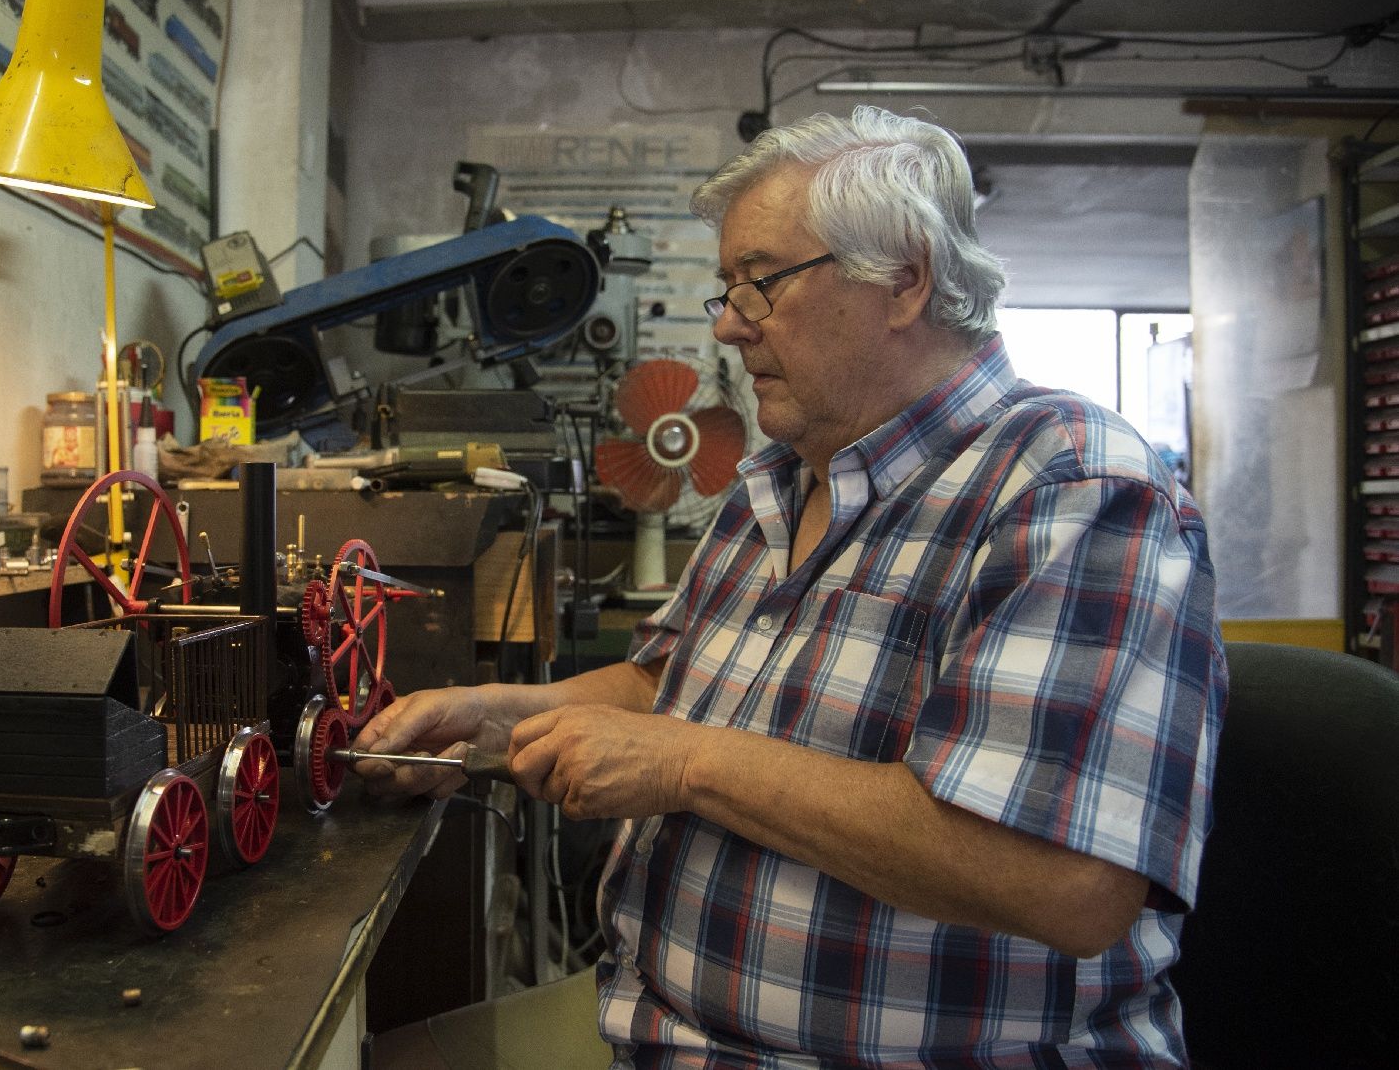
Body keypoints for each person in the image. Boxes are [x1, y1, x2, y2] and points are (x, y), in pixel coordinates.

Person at [353, 106, 1226, 1068]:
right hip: (650, 1020)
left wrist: (685, 763)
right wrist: (495, 718)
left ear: (905, 278)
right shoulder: (778, 478)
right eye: (727, 289)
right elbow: (666, 686)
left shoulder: (1075, 489)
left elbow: (1064, 880)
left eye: (760, 283)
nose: (729, 323)